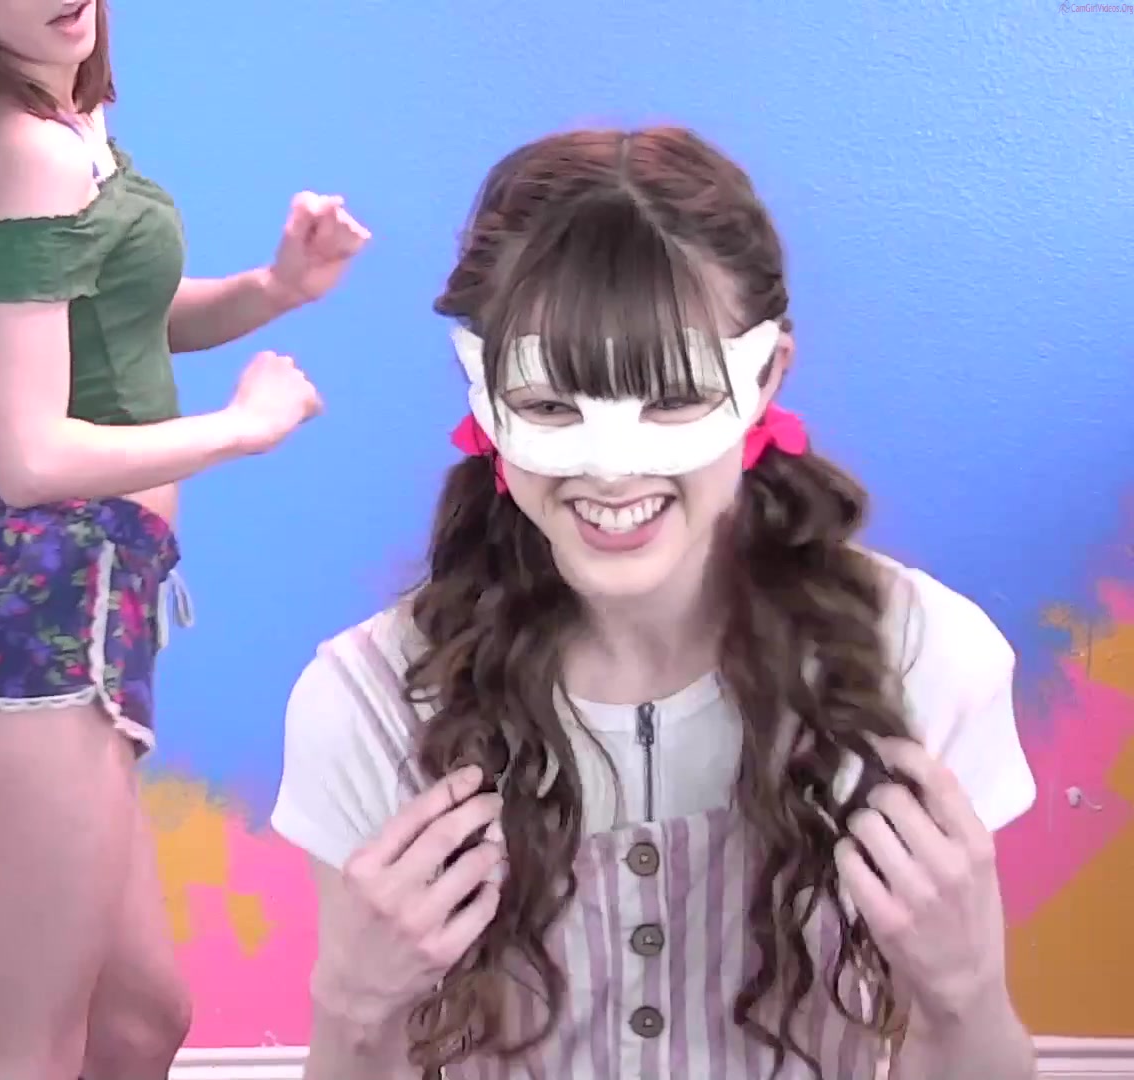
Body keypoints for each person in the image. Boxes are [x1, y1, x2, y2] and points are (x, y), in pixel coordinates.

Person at [269, 127, 1038, 1080]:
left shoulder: (924, 662)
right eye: (552, 406)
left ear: (768, 375)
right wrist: (352, 1011)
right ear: (485, 393)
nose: (611, 469)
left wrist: (966, 994)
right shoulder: (372, 701)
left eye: (671, 399)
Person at [0, 2, 370, 1078]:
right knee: (31, 1041)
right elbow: (29, 455)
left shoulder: (69, 129)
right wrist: (240, 428)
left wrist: (274, 289)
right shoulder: (30, 151)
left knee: (139, 1022)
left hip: (85, 617)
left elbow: (129, 315)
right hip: (32, 637)